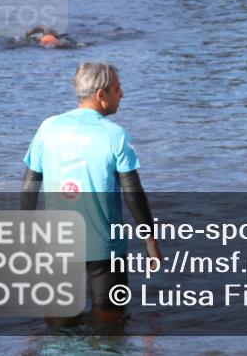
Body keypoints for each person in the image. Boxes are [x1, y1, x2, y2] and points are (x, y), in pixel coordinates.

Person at [20, 62, 162, 323]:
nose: (122, 94)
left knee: (60, 328)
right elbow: (133, 192)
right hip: (105, 247)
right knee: (110, 325)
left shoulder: (48, 128)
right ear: (101, 95)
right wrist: (150, 240)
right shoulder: (115, 135)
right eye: (117, 88)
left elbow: (30, 183)